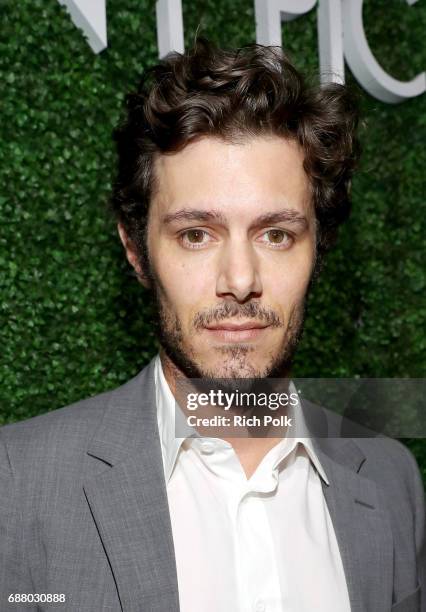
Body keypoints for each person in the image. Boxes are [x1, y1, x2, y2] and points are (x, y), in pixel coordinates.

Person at [0, 37, 424, 612]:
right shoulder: (17, 484)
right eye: (195, 235)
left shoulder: (392, 479)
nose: (240, 279)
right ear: (136, 249)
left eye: (276, 234)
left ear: (318, 247)